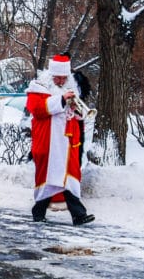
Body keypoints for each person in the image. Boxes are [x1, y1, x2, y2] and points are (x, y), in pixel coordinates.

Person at [25, 54, 95, 225]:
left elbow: (69, 115)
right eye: (58, 78)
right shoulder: (38, 88)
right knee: (48, 177)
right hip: (48, 141)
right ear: (51, 75)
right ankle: (38, 210)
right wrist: (61, 100)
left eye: (64, 78)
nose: (61, 81)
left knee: (67, 178)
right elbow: (38, 109)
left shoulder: (71, 90)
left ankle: (78, 215)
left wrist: (77, 113)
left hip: (66, 142)